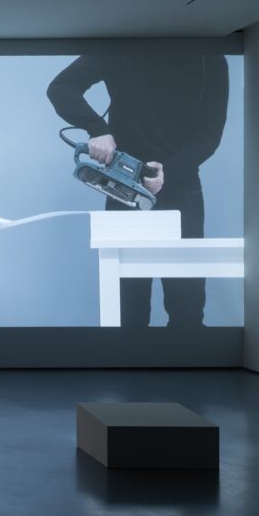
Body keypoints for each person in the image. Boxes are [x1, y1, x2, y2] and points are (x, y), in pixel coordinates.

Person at [46, 54, 229, 327]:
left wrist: (168, 172)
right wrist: (98, 130)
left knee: (187, 308)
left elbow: (209, 133)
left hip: (181, 189)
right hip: (124, 186)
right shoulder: (121, 45)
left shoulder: (209, 57)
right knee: (128, 309)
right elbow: (62, 87)